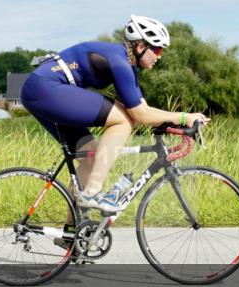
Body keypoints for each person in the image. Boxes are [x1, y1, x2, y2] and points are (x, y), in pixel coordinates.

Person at [20, 15, 209, 215]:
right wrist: (184, 117)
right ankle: (92, 192)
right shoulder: (119, 62)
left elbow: (143, 108)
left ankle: (73, 230)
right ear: (140, 47)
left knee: (90, 157)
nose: (159, 56)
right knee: (123, 121)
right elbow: (141, 115)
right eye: (157, 50)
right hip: (46, 90)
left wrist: (172, 120)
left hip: (41, 92)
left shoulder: (126, 65)